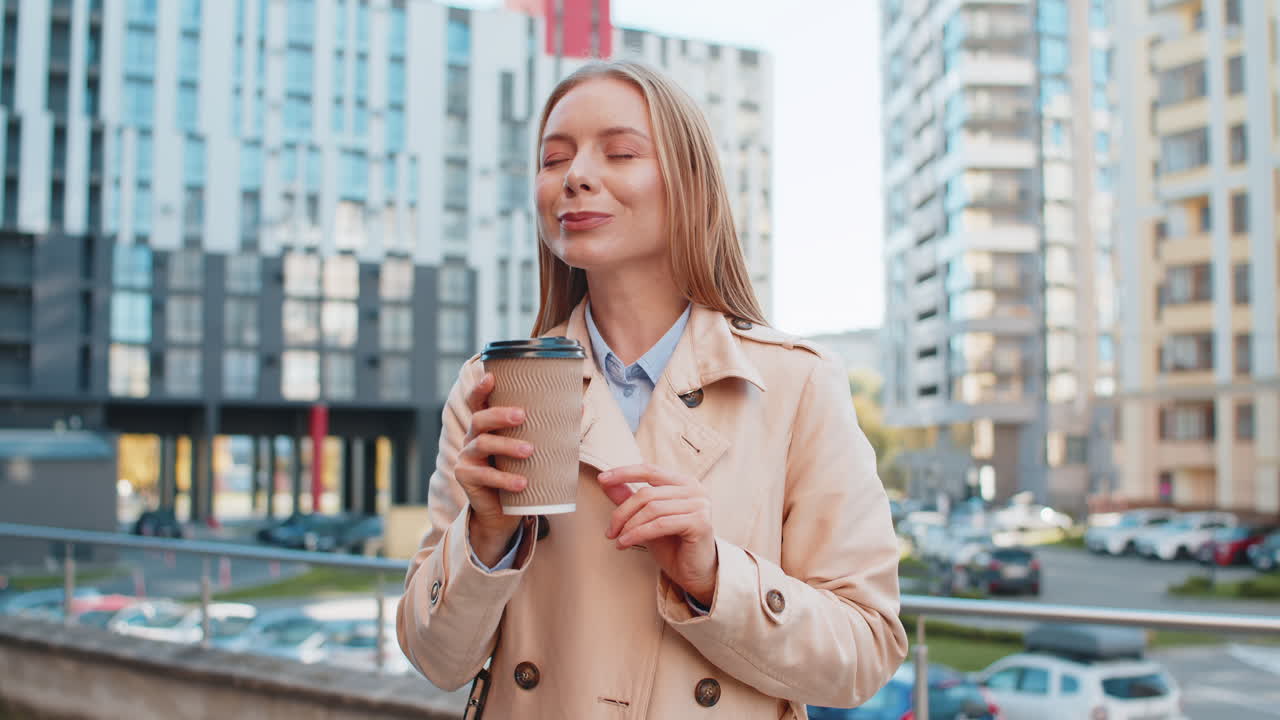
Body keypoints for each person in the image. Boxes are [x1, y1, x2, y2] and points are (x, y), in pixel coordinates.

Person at [397, 60, 907, 719]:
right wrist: (484, 538)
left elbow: (864, 653)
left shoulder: (795, 383)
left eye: (620, 152)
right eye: (554, 158)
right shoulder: (489, 385)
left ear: (690, 183)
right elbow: (435, 659)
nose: (575, 175)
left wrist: (714, 578)